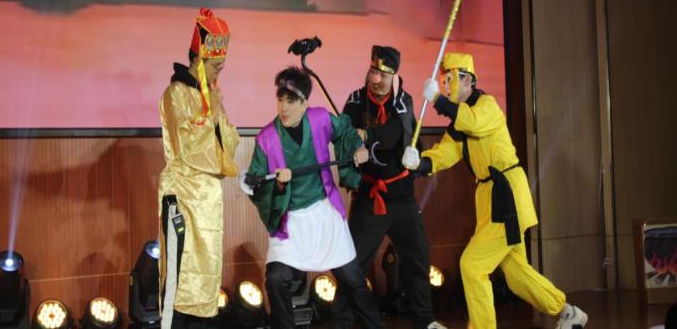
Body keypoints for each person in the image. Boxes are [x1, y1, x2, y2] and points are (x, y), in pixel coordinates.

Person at [402, 52, 588, 329]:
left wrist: (438, 101)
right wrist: (420, 162)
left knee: (472, 265)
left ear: (468, 80)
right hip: (490, 199)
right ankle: (569, 312)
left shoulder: (486, 106)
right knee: (515, 273)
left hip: (506, 195)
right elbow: (445, 153)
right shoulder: (460, 122)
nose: (445, 86)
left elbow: (473, 123)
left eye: (450, 79)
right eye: (443, 81)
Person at [243, 66, 385, 329]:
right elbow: (256, 185)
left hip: (324, 211)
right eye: (280, 100)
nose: (284, 107)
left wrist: (357, 148)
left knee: (353, 280)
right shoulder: (266, 138)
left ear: (305, 103)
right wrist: (279, 185)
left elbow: (345, 130)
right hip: (290, 222)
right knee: (275, 279)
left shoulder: (319, 119)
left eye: (291, 101)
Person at [331, 46, 445, 329]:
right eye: (373, 71)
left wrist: (367, 136)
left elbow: (396, 134)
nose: (376, 79)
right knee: (352, 264)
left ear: (394, 75)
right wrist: (353, 144)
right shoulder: (355, 101)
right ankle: (340, 323)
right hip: (369, 198)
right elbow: (342, 135)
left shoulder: (403, 103)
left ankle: (425, 321)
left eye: (383, 74)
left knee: (418, 258)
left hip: (401, 196)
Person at [158, 8, 240, 329]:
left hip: (208, 203)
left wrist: (215, 117)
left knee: (205, 283)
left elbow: (228, 143)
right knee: (178, 282)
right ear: (199, 59)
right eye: (216, 65)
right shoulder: (175, 94)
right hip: (181, 198)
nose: (220, 72)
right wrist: (210, 118)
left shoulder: (212, 96)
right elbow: (187, 145)